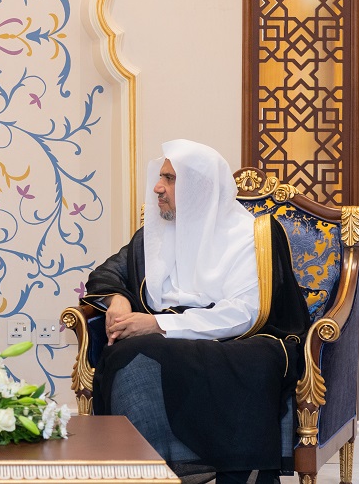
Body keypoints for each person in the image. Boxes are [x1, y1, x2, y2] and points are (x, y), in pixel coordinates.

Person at [83, 140, 310, 484]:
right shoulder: (155, 235)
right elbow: (108, 273)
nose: (158, 188)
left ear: (199, 188)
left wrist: (158, 324)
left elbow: (245, 313)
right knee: (127, 356)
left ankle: (235, 473)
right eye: (161, 177)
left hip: (241, 339)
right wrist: (120, 300)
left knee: (256, 362)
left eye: (171, 179)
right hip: (164, 336)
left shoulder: (254, 235)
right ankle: (147, 473)